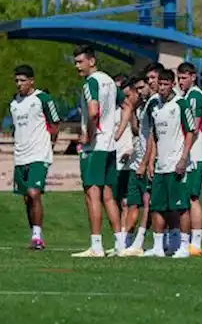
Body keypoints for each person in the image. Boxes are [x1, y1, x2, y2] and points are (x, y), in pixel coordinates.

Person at [71, 45, 123, 258]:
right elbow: (128, 103)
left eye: (80, 61)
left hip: (96, 145)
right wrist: (118, 131)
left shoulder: (91, 82)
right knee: (109, 195)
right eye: (75, 62)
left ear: (91, 61)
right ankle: (120, 243)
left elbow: (93, 112)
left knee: (92, 194)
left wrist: (88, 136)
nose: (77, 66)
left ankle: (96, 245)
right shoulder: (109, 80)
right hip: (110, 144)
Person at [144, 65, 197, 258]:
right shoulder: (155, 107)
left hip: (177, 164)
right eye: (160, 84)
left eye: (166, 84)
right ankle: (158, 247)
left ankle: (184, 246)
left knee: (181, 206)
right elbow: (155, 136)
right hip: (160, 165)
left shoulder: (181, 104)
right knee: (157, 206)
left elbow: (191, 132)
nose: (162, 87)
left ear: (172, 85)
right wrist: (151, 161)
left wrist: (183, 158)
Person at [8, 64, 61, 251]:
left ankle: (37, 235)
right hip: (20, 156)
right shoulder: (14, 103)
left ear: (32, 81)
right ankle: (35, 236)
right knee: (26, 199)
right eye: (16, 81)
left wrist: (51, 145)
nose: (19, 84)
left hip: (39, 153)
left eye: (23, 80)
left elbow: (55, 123)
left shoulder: (43, 99)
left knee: (34, 192)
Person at [118, 68, 153, 256]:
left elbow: (152, 138)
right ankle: (125, 243)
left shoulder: (153, 105)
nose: (138, 93)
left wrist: (146, 162)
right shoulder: (139, 107)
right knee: (130, 203)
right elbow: (136, 131)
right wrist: (130, 109)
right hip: (135, 162)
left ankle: (140, 242)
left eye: (140, 88)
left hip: (145, 163)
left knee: (148, 202)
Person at [176, 62, 202, 256]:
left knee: (193, 197)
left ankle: (196, 243)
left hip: (196, 152)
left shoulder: (195, 96)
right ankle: (185, 241)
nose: (181, 82)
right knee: (186, 196)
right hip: (189, 152)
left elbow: (194, 128)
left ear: (193, 77)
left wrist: (184, 152)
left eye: (184, 78)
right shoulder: (186, 96)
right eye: (179, 78)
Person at [112, 74, 139, 253]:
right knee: (115, 201)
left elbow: (139, 134)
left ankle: (126, 241)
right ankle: (120, 241)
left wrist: (133, 150)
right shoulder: (113, 109)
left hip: (130, 160)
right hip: (114, 159)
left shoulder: (134, 110)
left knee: (127, 202)